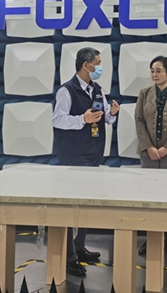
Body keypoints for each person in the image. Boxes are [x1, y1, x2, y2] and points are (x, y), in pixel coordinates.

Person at [52, 47, 120, 277]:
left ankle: (79, 247)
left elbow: (104, 117)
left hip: (93, 154)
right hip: (72, 156)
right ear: (86, 65)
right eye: (97, 63)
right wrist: (82, 118)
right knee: (70, 208)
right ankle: (69, 256)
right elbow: (58, 120)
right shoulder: (66, 91)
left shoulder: (97, 90)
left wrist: (112, 114)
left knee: (84, 205)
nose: (100, 67)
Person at [134, 55, 167, 257]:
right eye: (152, 71)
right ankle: (151, 237)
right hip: (148, 153)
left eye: (158, 71)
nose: (154, 74)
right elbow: (139, 120)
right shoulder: (144, 93)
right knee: (150, 196)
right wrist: (148, 146)